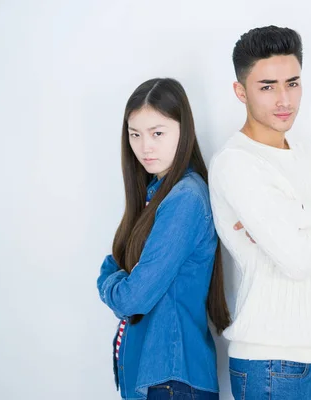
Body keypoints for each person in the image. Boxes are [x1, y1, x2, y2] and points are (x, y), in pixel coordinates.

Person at [209, 26, 311, 400]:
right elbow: (298, 260)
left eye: (293, 83)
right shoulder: (237, 164)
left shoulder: (308, 153)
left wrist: (301, 216)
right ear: (241, 92)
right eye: (267, 86)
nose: (284, 99)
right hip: (271, 365)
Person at [97, 78, 230, 400]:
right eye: (135, 135)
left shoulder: (185, 198)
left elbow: (133, 298)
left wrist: (108, 280)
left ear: (183, 130)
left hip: (171, 379)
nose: (145, 147)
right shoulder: (154, 195)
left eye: (158, 133)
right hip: (159, 375)